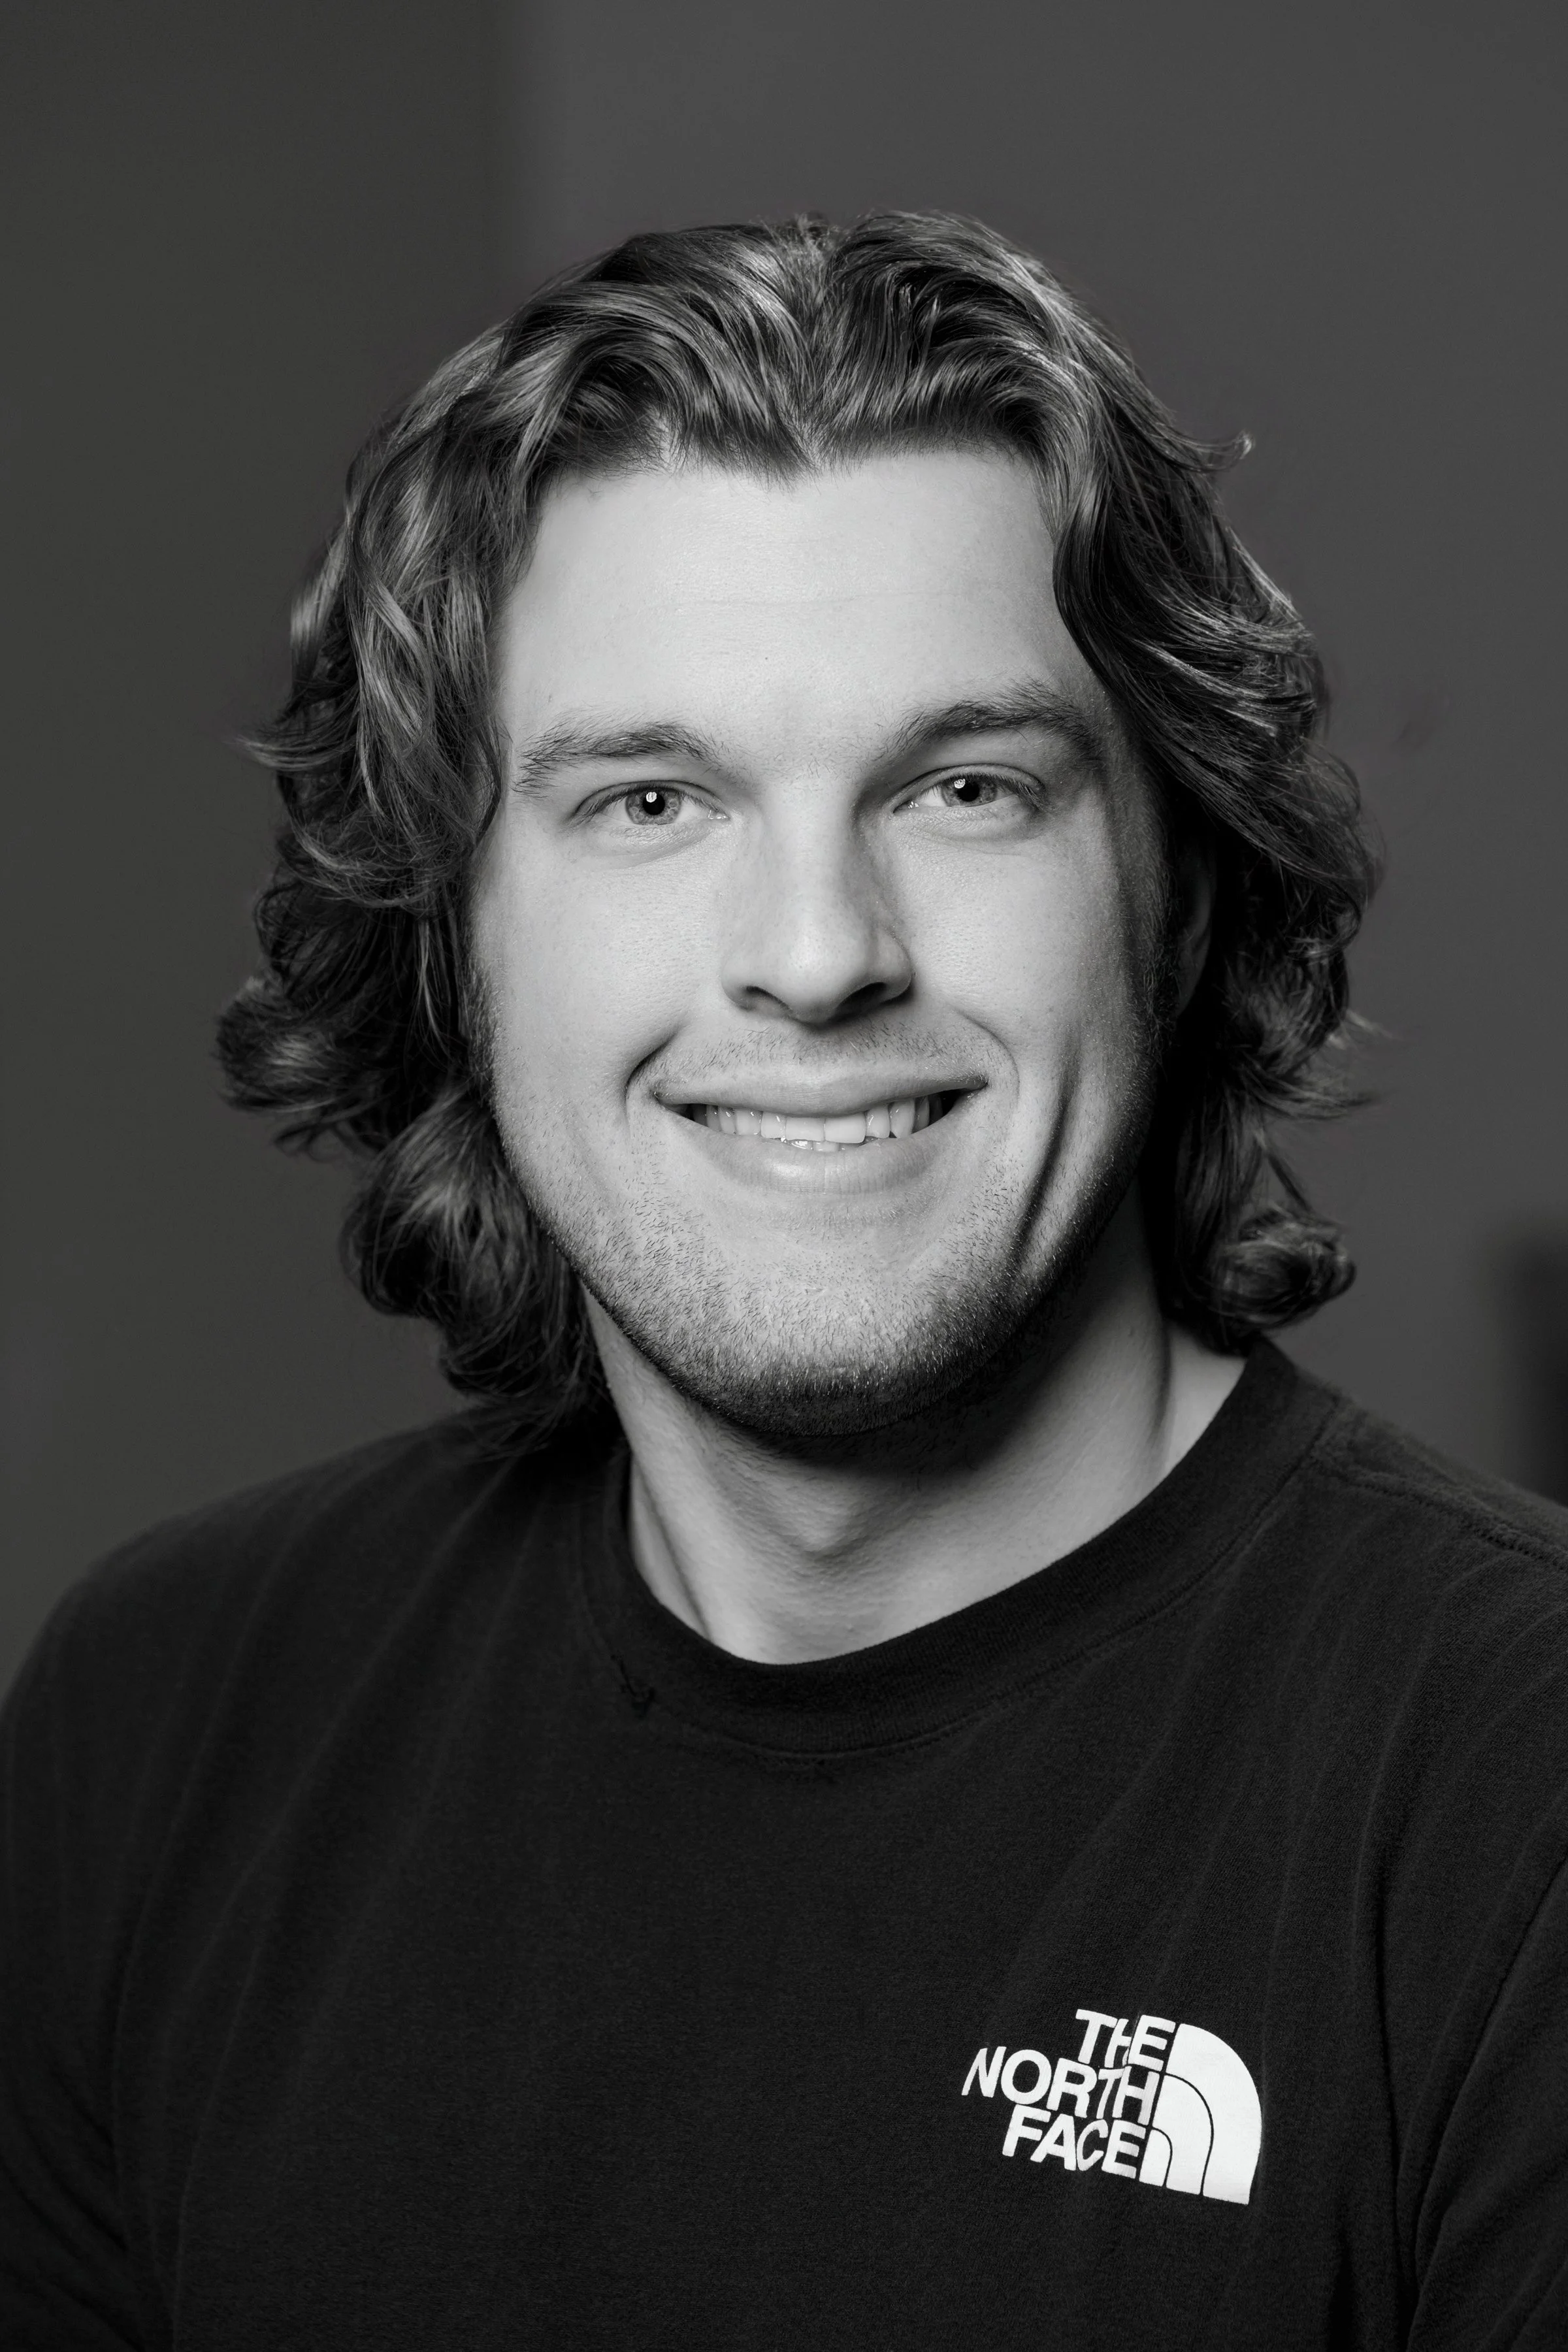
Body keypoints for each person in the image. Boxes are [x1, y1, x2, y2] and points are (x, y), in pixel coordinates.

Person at [3, 212, 1565, 2351]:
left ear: (1178, 891)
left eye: (967, 786)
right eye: (653, 799)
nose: (821, 952)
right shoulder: (165, 1722)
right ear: (454, 938)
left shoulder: (1509, 1801)